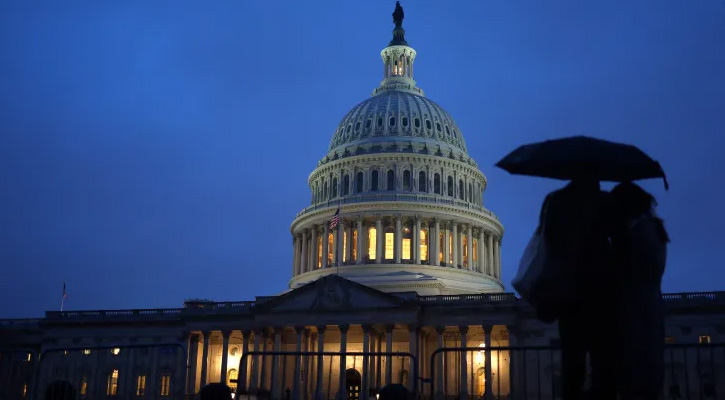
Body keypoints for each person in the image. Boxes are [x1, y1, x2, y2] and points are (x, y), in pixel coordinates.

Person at [537, 176, 616, 400]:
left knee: (572, 365)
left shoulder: (555, 202)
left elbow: (545, 242)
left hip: (569, 294)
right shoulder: (604, 202)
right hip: (601, 294)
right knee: (603, 364)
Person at [610, 182, 668, 400]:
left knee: (636, 374)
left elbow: (625, 273)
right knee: (646, 375)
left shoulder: (638, 234)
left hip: (635, 312)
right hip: (647, 309)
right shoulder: (652, 229)